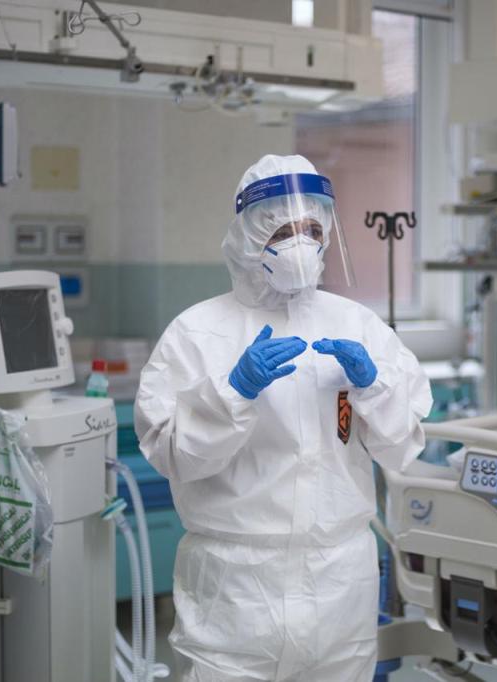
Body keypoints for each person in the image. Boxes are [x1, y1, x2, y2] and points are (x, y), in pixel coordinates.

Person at [134, 154, 432, 681]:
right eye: (283, 231)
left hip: (339, 587)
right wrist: (233, 392)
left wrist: (373, 388)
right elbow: (173, 456)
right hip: (236, 593)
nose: (301, 244)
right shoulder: (196, 332)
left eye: (312, 229)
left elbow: (402, 447)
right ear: (250, 237)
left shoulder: (357, 325)